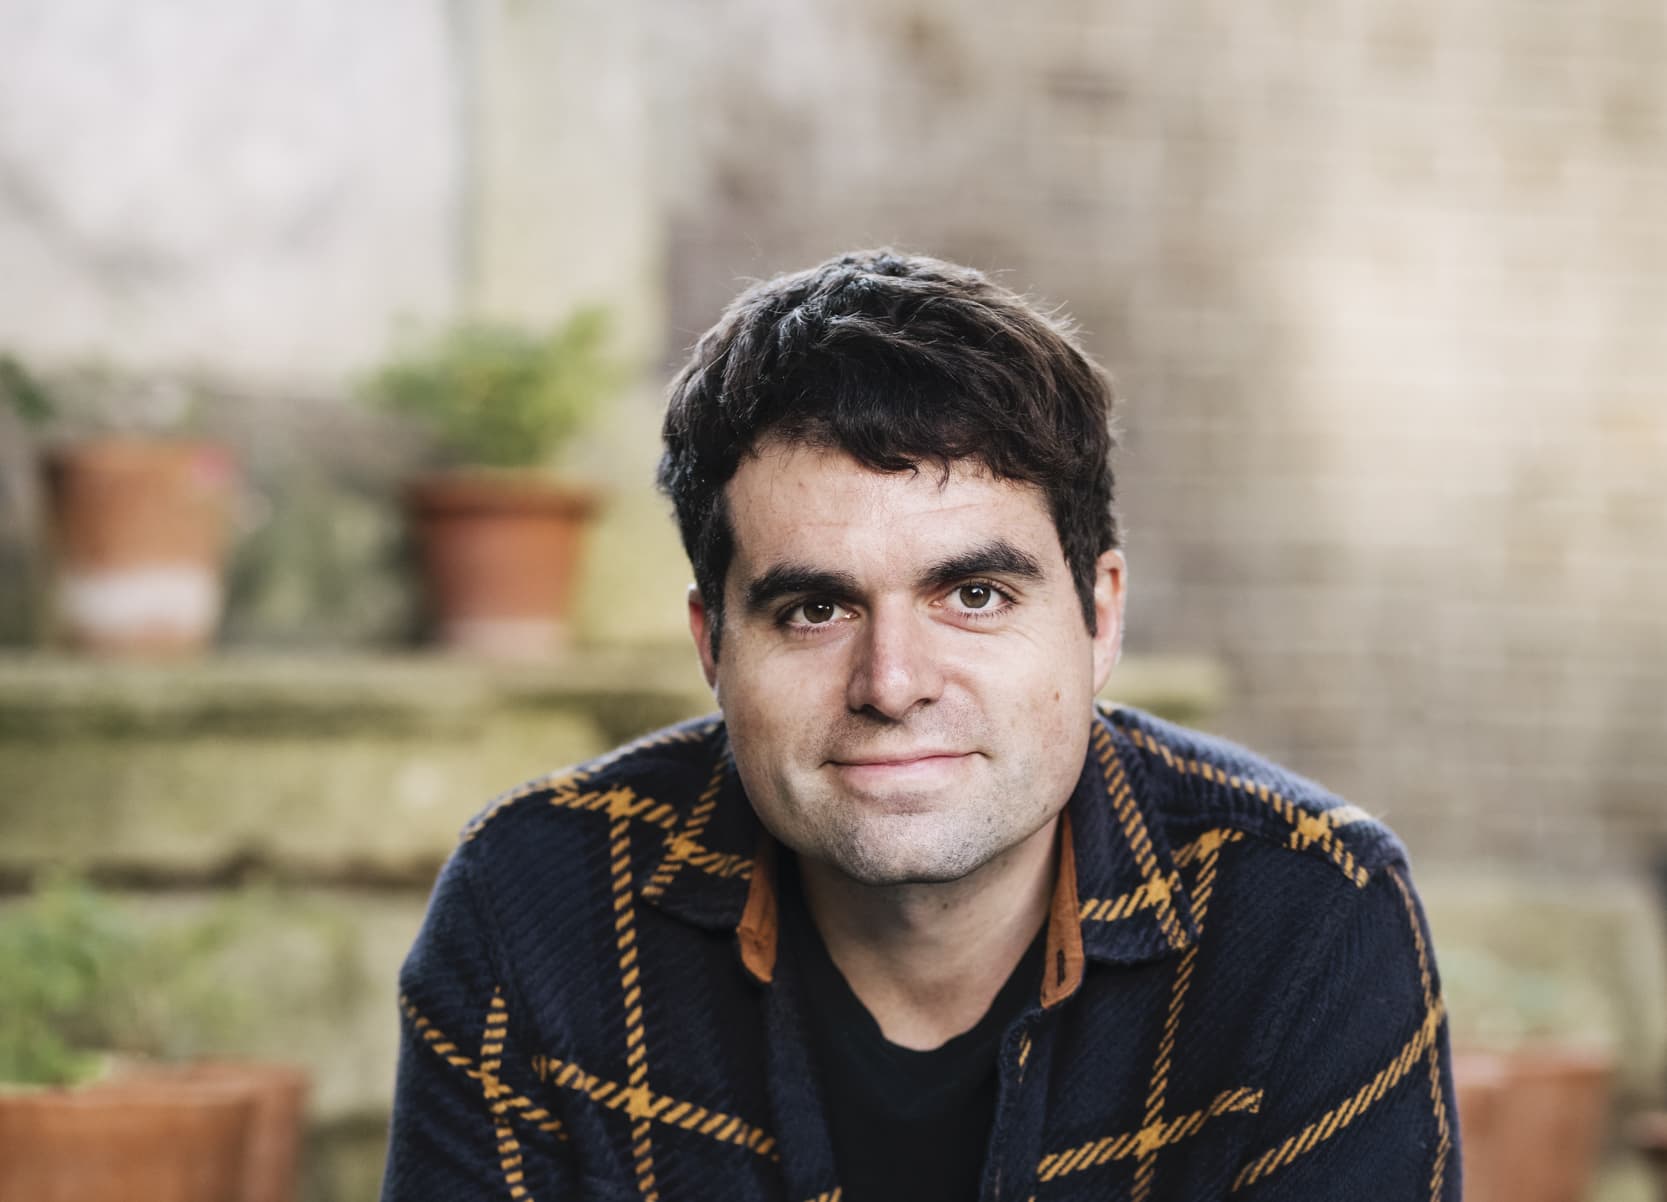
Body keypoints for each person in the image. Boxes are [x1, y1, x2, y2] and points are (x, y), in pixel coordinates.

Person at [381, 250, 1459, 1202]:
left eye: (974, 595)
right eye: (814, 608)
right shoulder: (532, 907)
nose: (891, 683)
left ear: (1099, 616)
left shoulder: (1308, 915)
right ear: (713, 647)